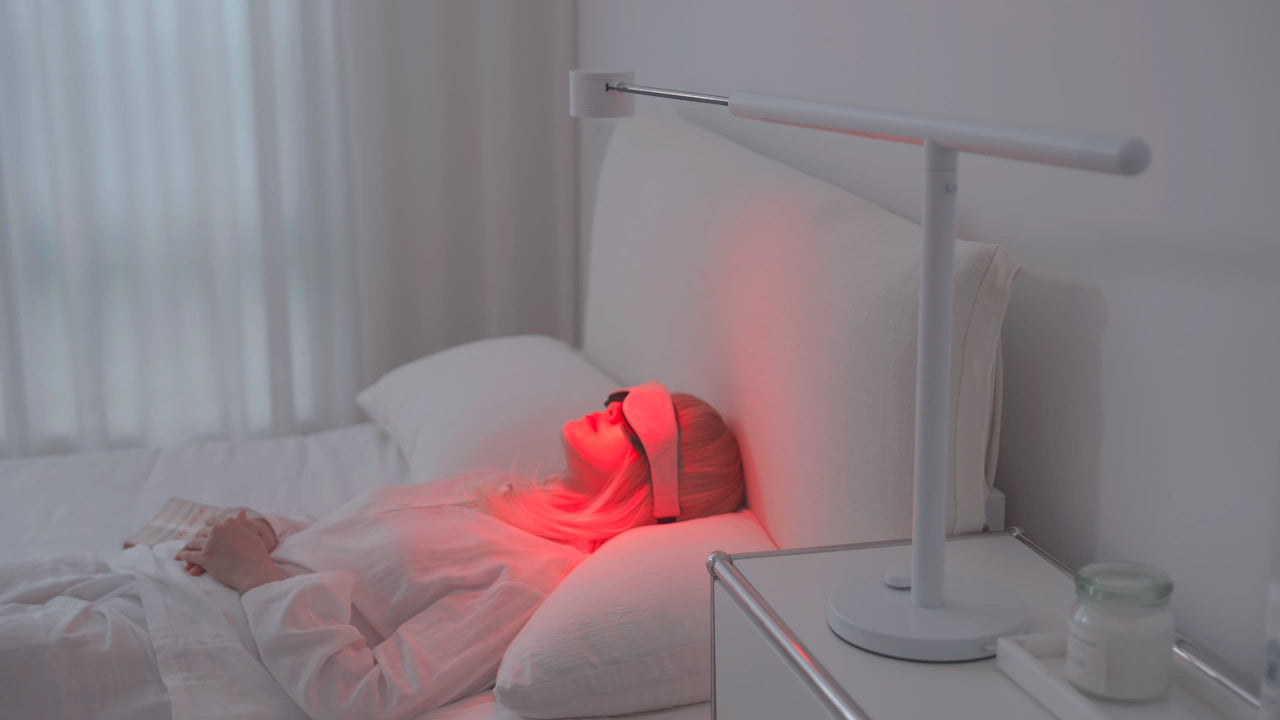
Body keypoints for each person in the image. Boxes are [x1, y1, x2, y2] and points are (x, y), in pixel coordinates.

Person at [0, 382, 744, 720]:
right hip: (163, 586)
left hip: (179, 657)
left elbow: (365, 698)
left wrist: (256, 577)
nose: (610, 408)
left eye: (633, 424)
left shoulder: (526, 582)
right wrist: (252, 529)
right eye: (622, 396)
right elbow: (344, 537)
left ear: (651, 485)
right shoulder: (497, 489)